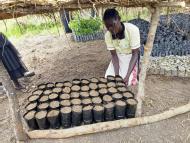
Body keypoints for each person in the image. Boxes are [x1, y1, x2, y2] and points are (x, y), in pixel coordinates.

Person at [103, 8, 140, 86]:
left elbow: (135, 54)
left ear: (119, 19)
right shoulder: (108, 35)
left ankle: (134, 73)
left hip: (131, 57)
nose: (110, 29)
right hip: (118, 57)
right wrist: (116, 76)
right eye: (107, 26)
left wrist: (127, 76)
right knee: (109, 79)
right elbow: (114, 55)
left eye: (112, 25)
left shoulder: (132, 30)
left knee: (128, 82)